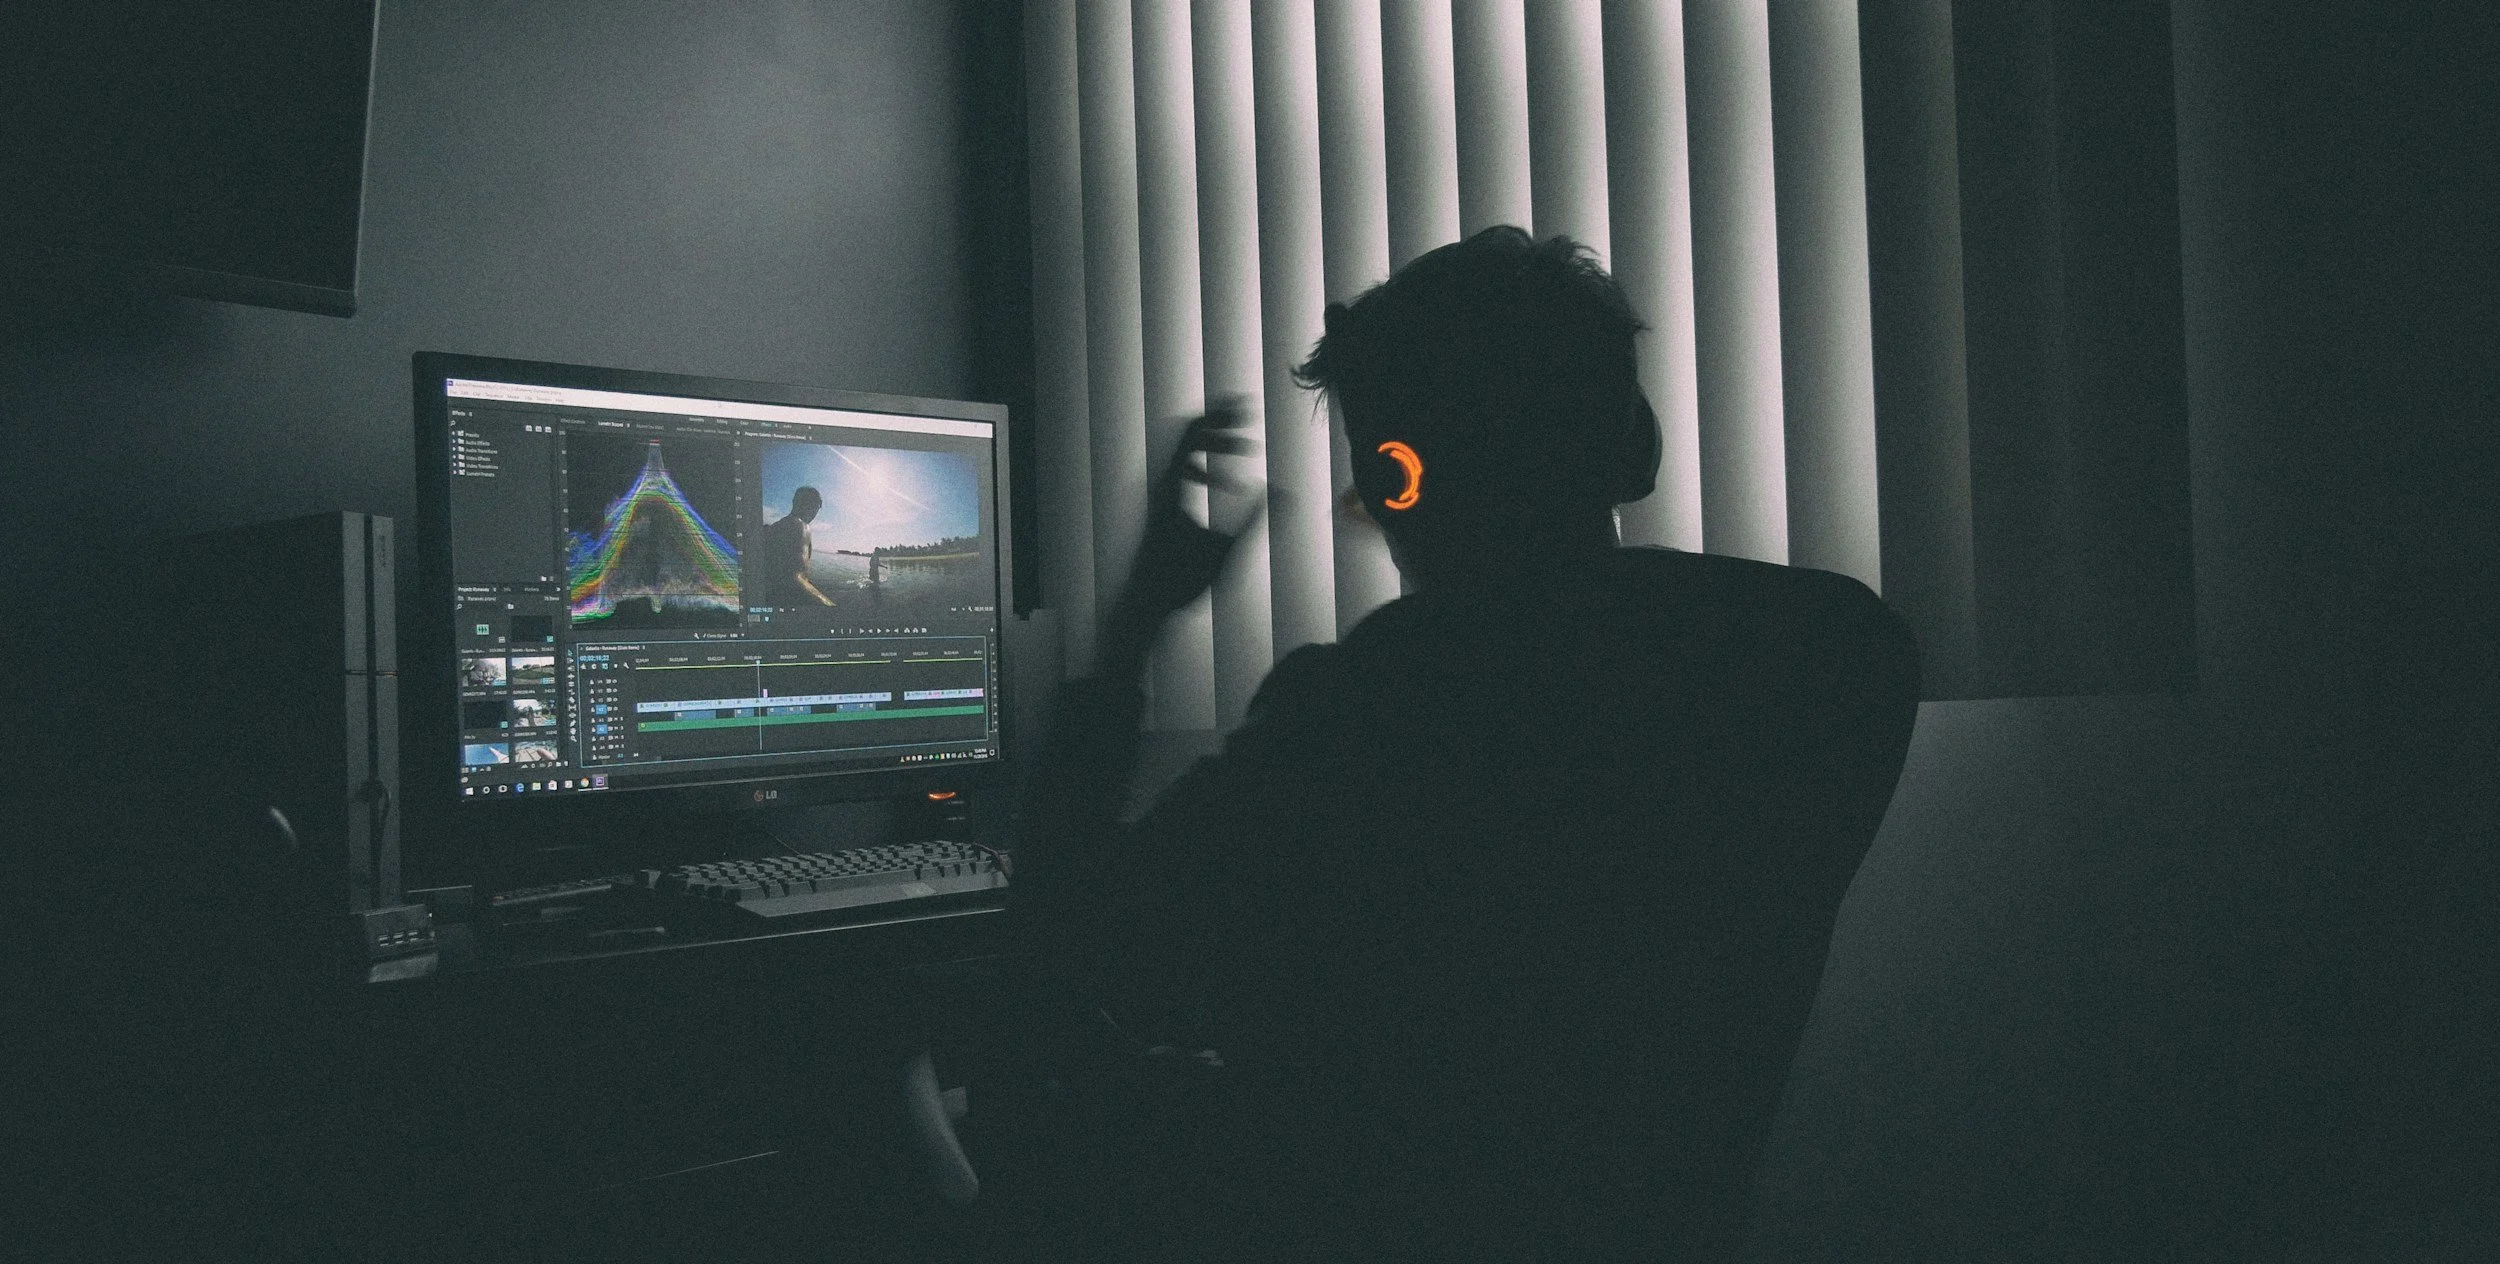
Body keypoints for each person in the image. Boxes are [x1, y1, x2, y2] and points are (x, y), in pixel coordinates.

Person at [983, 227, 1920, 1262]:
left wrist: (1134, 623)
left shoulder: (1373, 704)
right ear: (1636, 446)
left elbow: (1072, 936)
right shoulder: (1834, 652)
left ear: (1394, 481)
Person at [751, 485, 833, 609]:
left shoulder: (777, 527)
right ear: (815, 506)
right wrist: (833, 609)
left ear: (794, 501)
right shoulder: (800, 526)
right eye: (818, 505)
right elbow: (794, 579)